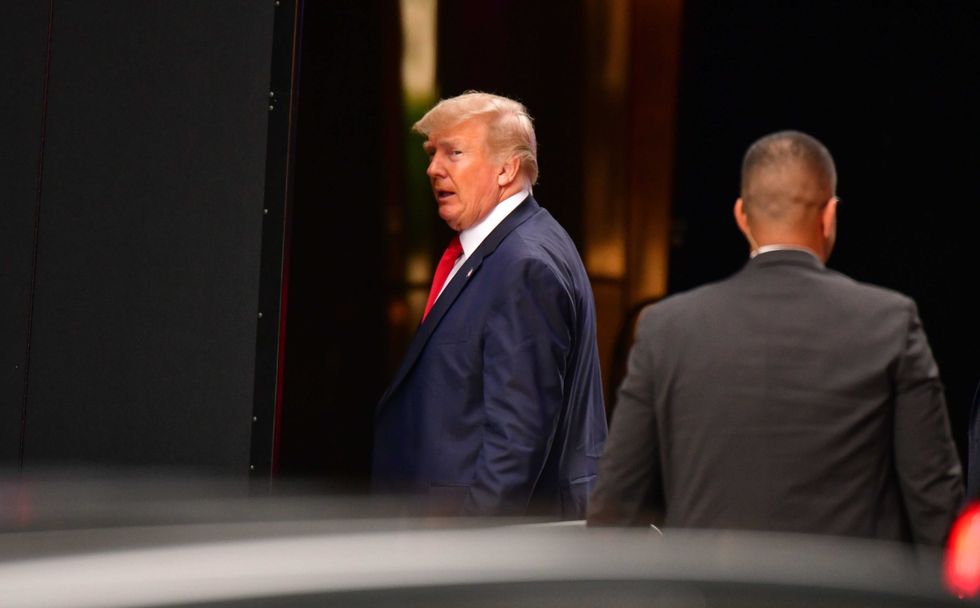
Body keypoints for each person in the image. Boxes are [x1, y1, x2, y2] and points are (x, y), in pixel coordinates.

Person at [586, 130, 963, 545]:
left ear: (742, 217)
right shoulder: (890, 322)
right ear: (829, 216)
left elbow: (616, 506)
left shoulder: (666, 328)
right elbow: (934, 501)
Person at [372, 91, 607, 519]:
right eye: (432, 154)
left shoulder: (524, 265)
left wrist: (471, 550)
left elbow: (517, 441)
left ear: (507, 170)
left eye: (454, 153)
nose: (433, 168)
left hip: (477, 548)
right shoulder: (511, 248)